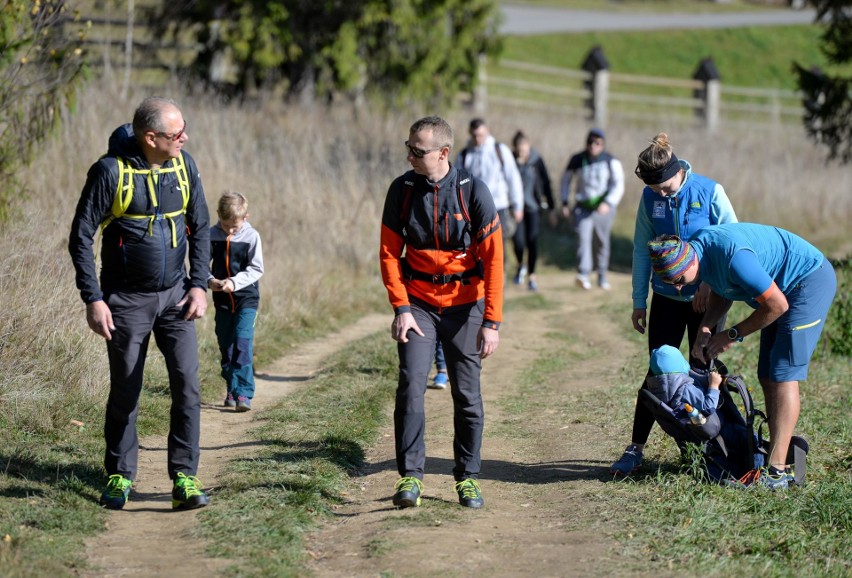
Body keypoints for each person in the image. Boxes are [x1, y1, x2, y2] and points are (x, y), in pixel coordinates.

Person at [68, 96, 211, 511]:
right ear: (151, 137)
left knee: (187, 384)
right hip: (126, 301)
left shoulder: (185, 166)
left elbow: (200, 227)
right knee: (126, 388)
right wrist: (93, 299)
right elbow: (81, 236)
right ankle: (119, 474)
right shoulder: (110, 172)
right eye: (176, 133)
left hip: (177, 297)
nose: (185, 137)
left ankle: (184, 475)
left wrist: (198, 286)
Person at [648, 224, 837, 489]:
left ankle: (777, 472)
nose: (679, 289)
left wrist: (732, 334)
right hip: (777, 294)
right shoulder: (700, 251)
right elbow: (721, 289)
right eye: (672, 285)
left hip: (807, 281)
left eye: (678, 280)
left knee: (782, 374)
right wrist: (706, 326)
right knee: (766, 375)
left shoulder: (732, 256)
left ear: (688, 261)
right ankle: (776, 454)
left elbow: (778, 305)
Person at [380, 115, 504, 509]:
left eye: (418, 151)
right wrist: (400, 307)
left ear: (443, 153)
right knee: (411, 387)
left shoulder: (474, 192)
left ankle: (467, 478)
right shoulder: (401, 190)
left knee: (467, 395)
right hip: (417, 305)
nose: (410, 156)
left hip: (465, 306)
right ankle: (410, 478)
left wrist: (492, 322)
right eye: (409, 148)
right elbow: (388, 253)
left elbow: (495, 262)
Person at [610, 132, 738, 476]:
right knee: (658, 374)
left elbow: (732, 243)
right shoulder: (650, 198)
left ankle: (714, 450)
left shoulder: (711, 192)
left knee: (703, 370)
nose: (662, 195)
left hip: (706, 301)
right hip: (665, 298)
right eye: (656, 191)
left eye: (666, 188)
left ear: (679, 170)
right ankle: (636, 448)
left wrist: (710, 284)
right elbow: (641, 248)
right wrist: (639, 300)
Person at [208, 191, 264, 412]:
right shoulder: (211, 235)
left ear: (246, 217)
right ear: (218, 216)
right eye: (225, 225)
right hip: (221, 301)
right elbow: (201, 263)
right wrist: (210, 281)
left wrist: (234, 282)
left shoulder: (252, 236)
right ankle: (231, 389)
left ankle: (244, 393)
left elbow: (256, 268)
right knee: (227, 347)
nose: (230, 231)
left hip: (246, 300)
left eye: (235, 227)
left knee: (242, 345)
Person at [560, 128, 625, 290]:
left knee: (601, 241)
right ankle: (583, 274)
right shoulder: (577, 159)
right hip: (582, 208)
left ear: (602, 144)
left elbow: (618, 184)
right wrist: (564, 202)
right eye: (590, 142)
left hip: (603, 209)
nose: (593, 146)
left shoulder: (611, 161)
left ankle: (602, 274)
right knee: (583, 240)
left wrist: (608, 203)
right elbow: (565, 181)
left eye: (597, 143)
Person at [457, 118, 523, 273]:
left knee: (497, 243)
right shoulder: (465, 154)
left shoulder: (500, 150)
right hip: (473, 208)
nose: (477, 139)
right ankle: (480, 276)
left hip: (498, 206)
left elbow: (513, 177)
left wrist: (518, 204)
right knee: (476, 244)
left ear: (487, 131)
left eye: (480, 135)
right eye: (474, 135)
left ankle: (500, 276)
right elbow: (458, 182)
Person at [511, 130, 556, 292]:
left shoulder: (537, 161)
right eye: (519, 150)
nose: (522, 153)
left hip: (534, 208)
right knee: (518, 241)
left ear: (529, 146)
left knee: (532, 240)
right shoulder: (510, 161)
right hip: (516, 209)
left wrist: (551, 208)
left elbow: (546, 184)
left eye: (525, 149)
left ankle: (532, 276)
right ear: (515, 148)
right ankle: (520, 265)